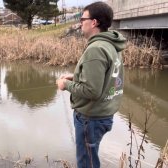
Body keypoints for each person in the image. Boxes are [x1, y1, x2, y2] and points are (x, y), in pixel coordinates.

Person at [56, 1, 126, 168]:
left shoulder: (96, 48)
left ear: (94, 22)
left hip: (90, 118)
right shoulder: (111, 45)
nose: (80, 23)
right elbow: (107, 76)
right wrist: (76, 76)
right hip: (103, 115)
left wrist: (65, 85)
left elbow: (92, 91)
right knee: (90, 157)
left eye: (82, 19)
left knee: (86, 162)